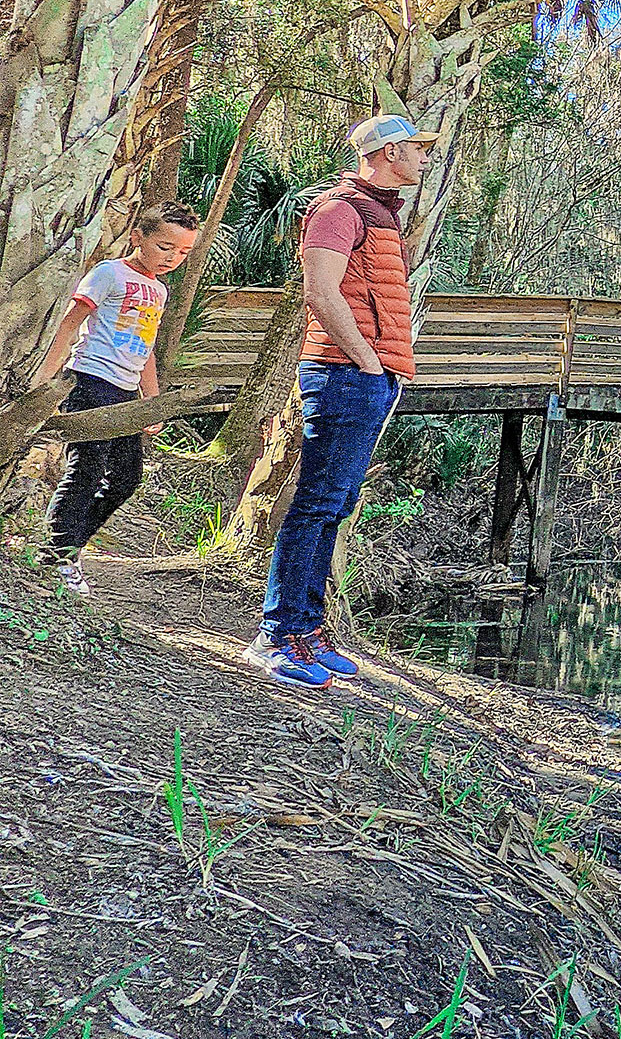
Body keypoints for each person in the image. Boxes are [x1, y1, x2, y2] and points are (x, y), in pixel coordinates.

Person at [243, 113, 439, 691]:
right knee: (315, 502)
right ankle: (275, 637)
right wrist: (368, 361)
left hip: (370, 377)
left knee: (335, 504)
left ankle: (306, 629)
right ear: (385, 154)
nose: (424, 160)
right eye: (416, 150)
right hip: (344, 374)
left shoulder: (380, 217)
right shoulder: (337, 210)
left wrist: (384, 373)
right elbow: (320, 293)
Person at [32, 202, 202, 595]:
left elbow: (147, 346)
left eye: (183, 252)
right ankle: (57, 554)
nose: (173, 258)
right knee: (87, 468)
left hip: (126, 391)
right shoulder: (109, 273)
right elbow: (71, 321)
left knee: (125, 479)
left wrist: (152, 402)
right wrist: (45, 376)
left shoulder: (158, 290)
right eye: (165, 247)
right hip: (91, 380)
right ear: (137, 236)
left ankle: (66, 547)